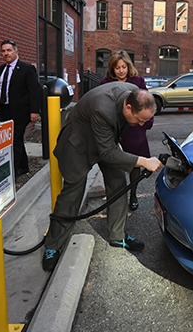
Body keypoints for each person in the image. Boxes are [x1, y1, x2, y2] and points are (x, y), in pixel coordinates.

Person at [42, 82, 163, 271]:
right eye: (139, 120)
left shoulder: (132, 94)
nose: (140, 125)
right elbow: (108, 153)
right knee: (73, 193)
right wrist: (144, 161)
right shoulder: (102, 109)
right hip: (78, 143)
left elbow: (109, 147)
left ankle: (118, 236)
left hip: (106, 140)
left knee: (118, 183)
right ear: (128, 107)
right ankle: (52, 246)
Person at [100, 50, 153, 210]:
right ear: (112, 69)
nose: (121, 71)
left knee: (135, 164)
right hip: (115, 129)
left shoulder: (138, 81)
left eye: (123, 67)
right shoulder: (105, 83)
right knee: (115, 163)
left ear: (128, 66)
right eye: (117, 68)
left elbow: (147, 103)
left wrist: (145, 123)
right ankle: (117, 198)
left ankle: (133, 194)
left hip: (134, 130)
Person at [0, 40, 41, 175]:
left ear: (16, 52)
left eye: (9, 50)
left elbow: (34, 91)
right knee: (15, 139)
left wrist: (35, 111)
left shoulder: (27, 69)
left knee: (14, 139)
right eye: (3, 51)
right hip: (4, 111)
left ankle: (13, 171)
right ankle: (23, 166)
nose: (6, 53)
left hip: (21, 112)